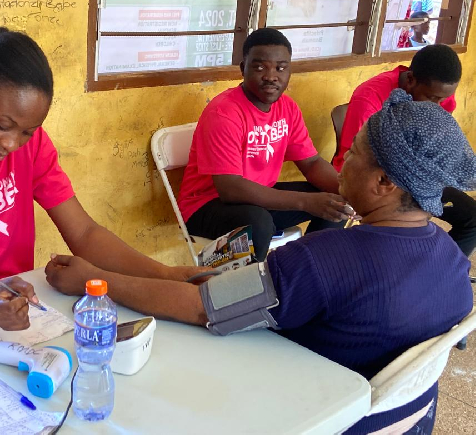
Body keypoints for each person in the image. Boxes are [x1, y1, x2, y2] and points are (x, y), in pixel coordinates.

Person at [46, 90, 475, 433]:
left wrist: (96, 280)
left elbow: (202, 307)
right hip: (405, 421)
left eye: (356, 153)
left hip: (323, 418)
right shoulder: (453, 263)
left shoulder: (322, 261)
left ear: (384, 182)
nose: (342, 163)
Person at [0, 24, 205, 331]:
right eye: (2, 125)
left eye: (26, 132)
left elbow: (85, 233)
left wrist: (167, 275)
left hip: (7, 319)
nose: (11, 144)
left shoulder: (29, 149)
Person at [177, 28, 352, 261]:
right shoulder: (224, 113)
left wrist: (350, 192)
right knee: (257, 223)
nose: (271, 76)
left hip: (258, 199)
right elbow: (230, 188)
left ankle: (306, 271)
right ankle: (244, 292)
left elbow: (311, 163)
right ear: (243, 69)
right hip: (206, 206)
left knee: (335, 203)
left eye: (281, 68)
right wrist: (305, 201)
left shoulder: (287, 108)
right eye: (260, 67)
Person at [333, 44, 476, 258]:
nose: (437, 106)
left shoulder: (440, 95)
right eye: (432, 98)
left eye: (442, 100)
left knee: (472, 218)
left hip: (419, 177)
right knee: (398, 233)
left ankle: (441, 272)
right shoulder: (369, 97)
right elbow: (353, 157)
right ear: (410, 80)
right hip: (373, 178)